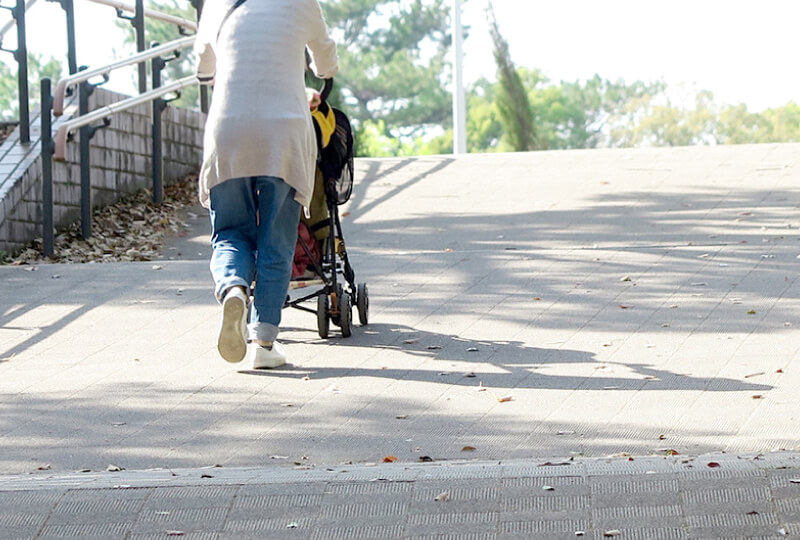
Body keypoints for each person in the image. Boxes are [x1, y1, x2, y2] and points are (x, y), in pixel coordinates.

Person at [194, 0, 338, 369]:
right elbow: (325, 57)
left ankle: (233, 288)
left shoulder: (217, 4)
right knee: (277, 237)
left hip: (229, 130)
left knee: (229, 232)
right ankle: (263, 342)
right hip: (284, 132)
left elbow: (203, 67)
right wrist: (324, 73)